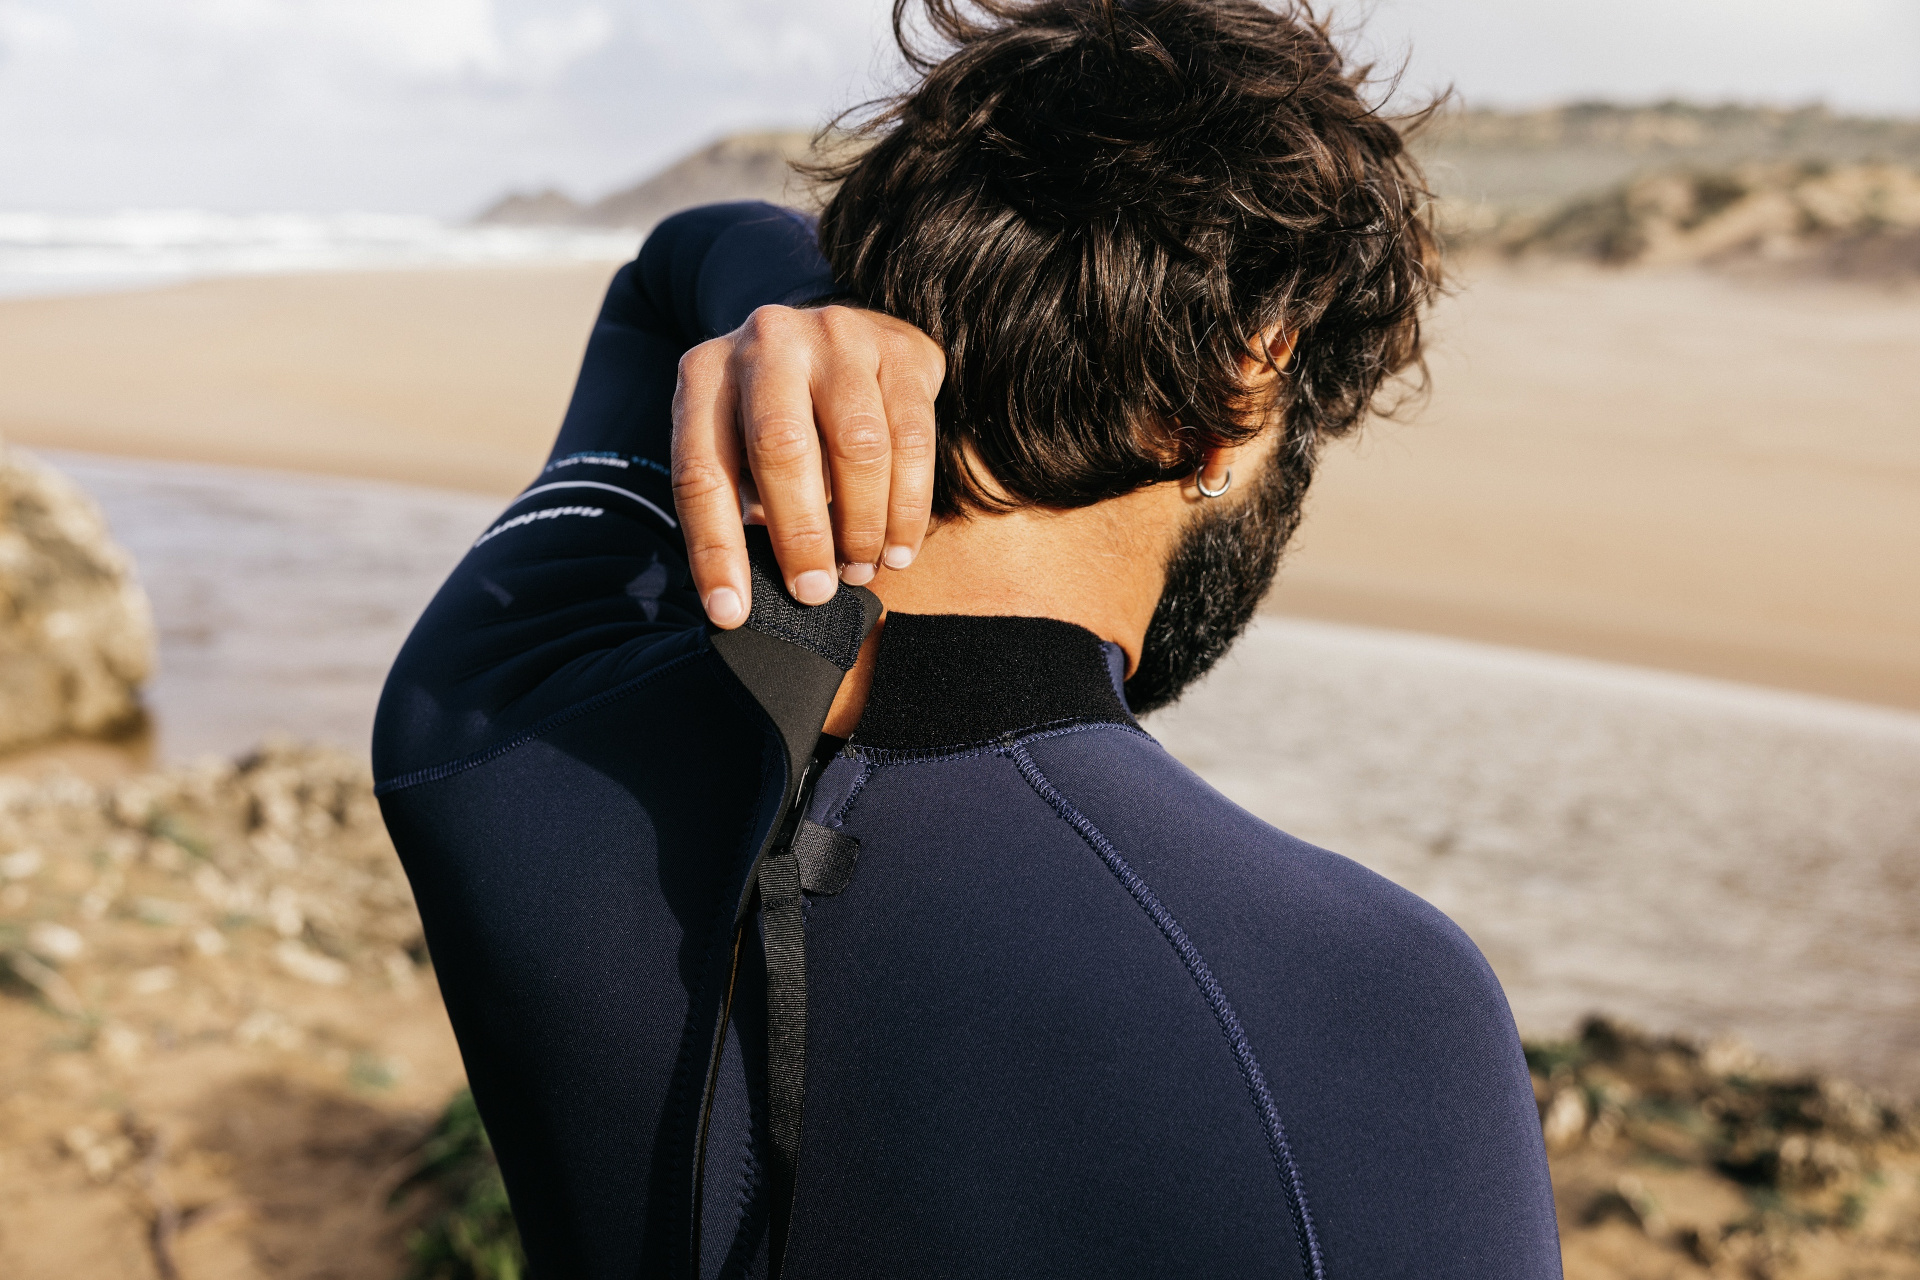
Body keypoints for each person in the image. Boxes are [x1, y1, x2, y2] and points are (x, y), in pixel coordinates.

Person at [375, 2, 1564, 1277]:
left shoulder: (495, 726)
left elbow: (668, 272)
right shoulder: (1376, 1006)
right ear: (1248, 381)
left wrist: (798, 303)